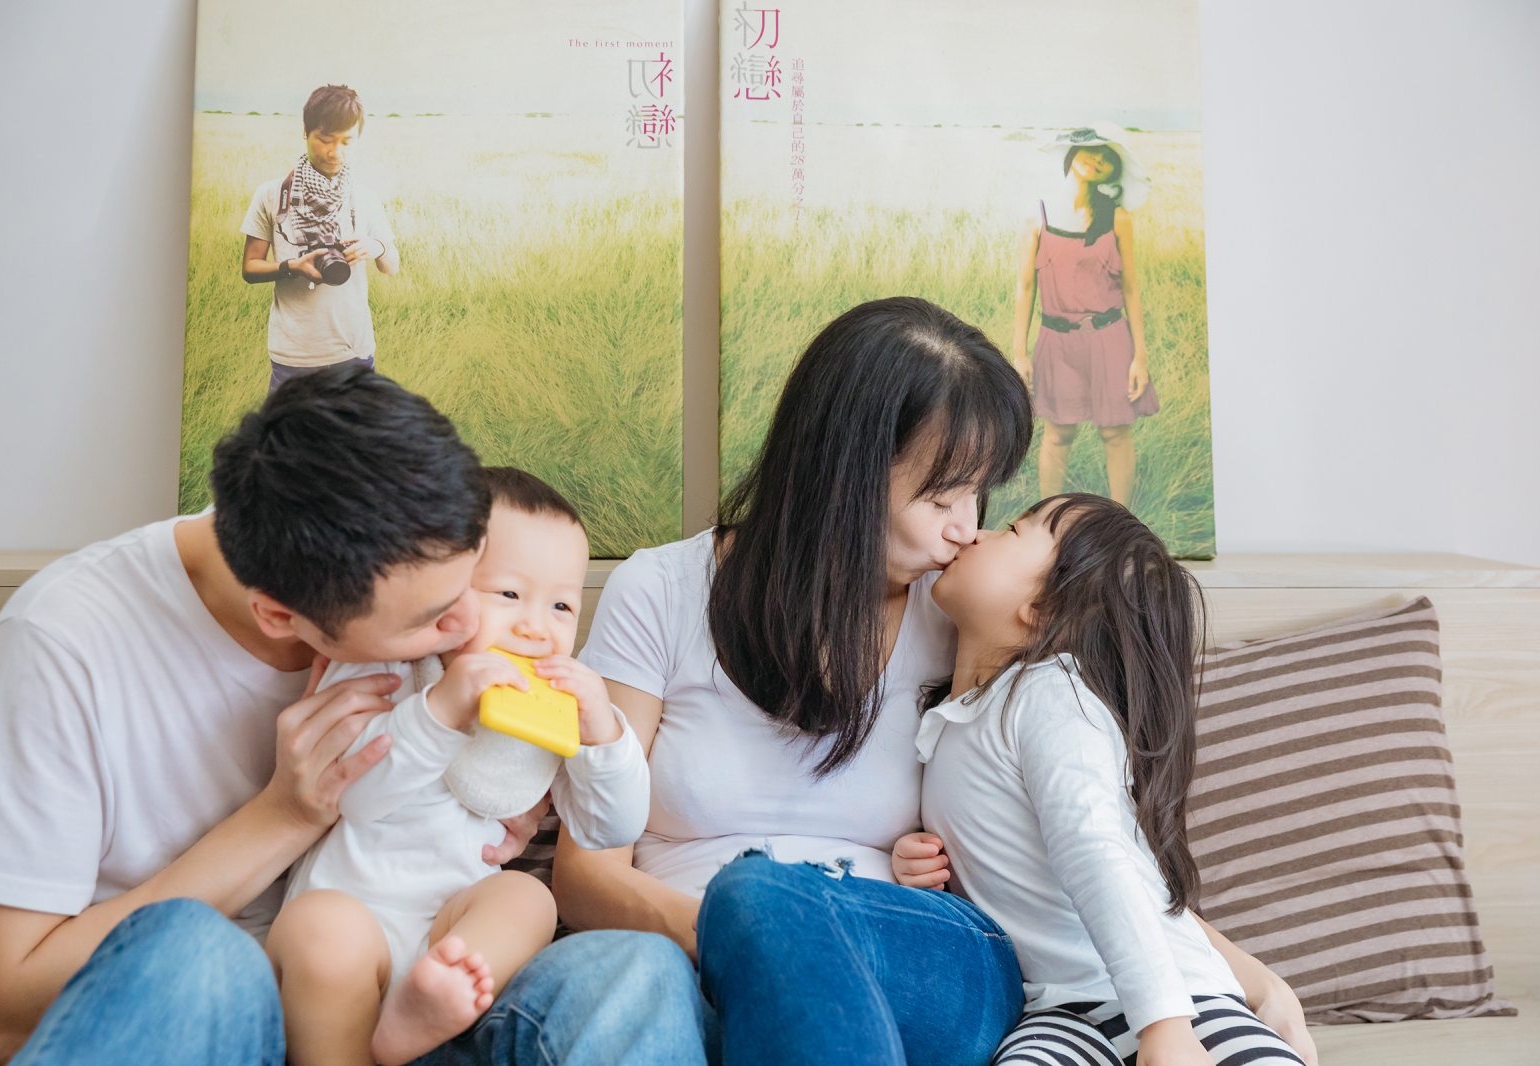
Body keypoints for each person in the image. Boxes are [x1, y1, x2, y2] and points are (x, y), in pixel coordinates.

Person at [0, 368, 704, 1066]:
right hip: (210, 1016)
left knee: (637, 970)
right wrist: (286, 814)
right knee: (194, 951)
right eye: (434, 619)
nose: (470, 630)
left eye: (473, 583)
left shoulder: (391, 548)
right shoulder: (65, 643)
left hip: (420, 994)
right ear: (282, 618)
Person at [558, 297, 1036, 1066]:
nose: (966, 527)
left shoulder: (961, 615)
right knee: (658, 966)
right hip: (685, 961)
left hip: (908, 965)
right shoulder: (663, 590)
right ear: (842, 473)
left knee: (759, 895)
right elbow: (585, 875)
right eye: (941, 496)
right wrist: (750, 942)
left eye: (978, 494)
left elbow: (1082, 819)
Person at [892, 494, 1318, 1066]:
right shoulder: (953, 717)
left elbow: (1097, 854)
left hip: (1182, 996)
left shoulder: (1051, 694)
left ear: (1041, 608)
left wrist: (1165, 1024)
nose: (976, 533)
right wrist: (922, 870)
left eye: (1011, 530)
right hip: (1057, 1010)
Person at [271, 468, 651, 1066]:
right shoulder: (385, 668)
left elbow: (613, 827)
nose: (535, 626)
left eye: (561, 605)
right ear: (441, 589)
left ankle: (427, 1008)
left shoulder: (552, 712)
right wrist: (442, 710)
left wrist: (602, 733)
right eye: (509, 595)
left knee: (527, 897)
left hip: (448, 937)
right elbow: (354, 796)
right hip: (349, 914)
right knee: (321, 930)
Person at [1011, 124, 1159, 507]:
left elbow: (1131, 290)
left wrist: (1140, 356)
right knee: (1058, 434)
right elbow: (1025, 287)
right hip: (1056, 340)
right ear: (1070, 154)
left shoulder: (1118, 218)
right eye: (1091, 149)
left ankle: (1121, 524)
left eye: (1107, 157)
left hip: (1110, 337)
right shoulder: (1037, 216)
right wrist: (1019, 352)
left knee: (1115, 434)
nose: (1097, 159)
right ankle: (1048, 520)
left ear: (1113, 171)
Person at [241, 84, 399, 394]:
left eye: (346, 141)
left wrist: (376, 246)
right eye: (325, 139)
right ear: (305, 131)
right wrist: (291, 267)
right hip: (292, 354)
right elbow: (250, 268)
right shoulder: (272, 195)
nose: (335, 152)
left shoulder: (365, 198)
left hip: (353, 351)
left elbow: (391, 266)